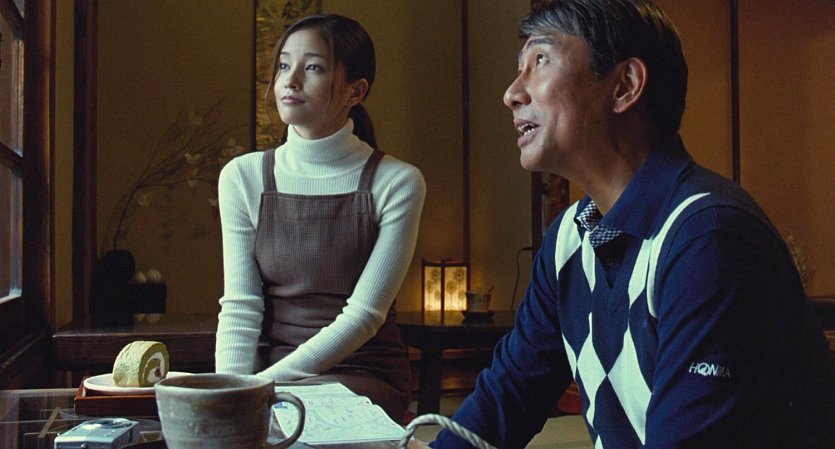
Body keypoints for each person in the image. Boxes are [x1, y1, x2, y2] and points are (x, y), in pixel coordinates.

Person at [427, 1, 835, 448]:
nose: (512, 93)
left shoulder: (707, 237)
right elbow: (506, 398)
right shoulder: (569, 238)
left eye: (540, 60)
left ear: (625, 85)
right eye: (518, 68)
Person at [214, 14, 426, 423]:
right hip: (270, 373)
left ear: (355, 91)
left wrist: (259, 389)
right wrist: (231, 392)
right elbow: (241, 306)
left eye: (312, 67)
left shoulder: (397, 181)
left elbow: (364, 316)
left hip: (361, 374)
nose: (290, 80)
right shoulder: (242, 176)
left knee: (297, 422)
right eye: (283, 65)